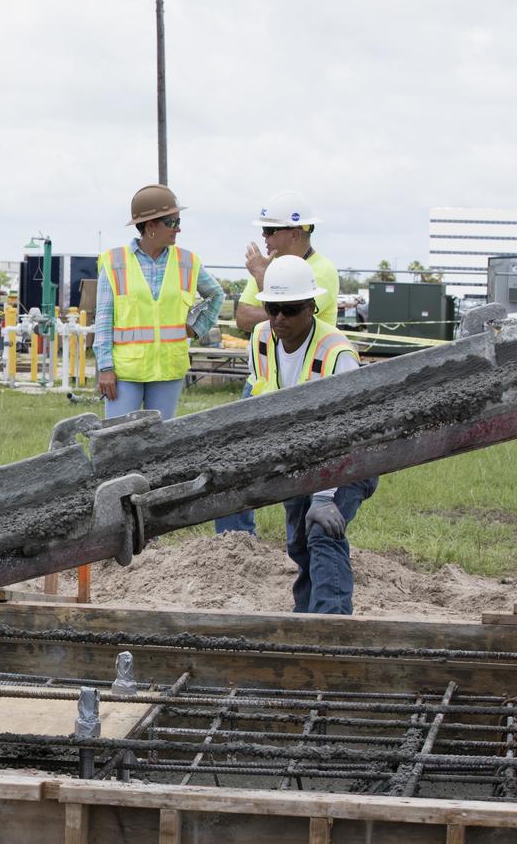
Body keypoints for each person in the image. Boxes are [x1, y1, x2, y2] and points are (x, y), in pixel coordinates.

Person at [246, 255, 376, 615]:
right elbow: (253, 402)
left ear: (311, 307)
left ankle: (331, 625)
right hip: (298, 460)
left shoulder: (337, 353)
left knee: (322, 531)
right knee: (300, 544)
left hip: (350, 459)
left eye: (289, 310)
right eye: (272, 309)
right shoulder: (260, 339)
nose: (278, 319)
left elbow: (345, 432)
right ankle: (306, 621)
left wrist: (324, 496)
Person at [216, 190, 340, 535]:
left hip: (303, 384)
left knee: (297, 473)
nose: (264, 238)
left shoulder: (321, 270)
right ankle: (235, 539)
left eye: (271, 231)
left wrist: (264, 282)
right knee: (230, 459)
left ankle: (298, 543)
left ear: (296, 233)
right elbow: (243, 317)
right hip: (262, 380)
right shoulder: (272, 268)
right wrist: (272, 292)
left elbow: (296, 313)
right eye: (265, 231)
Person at [94, 184, 224, 421]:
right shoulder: (114, 262)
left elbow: (216, 295)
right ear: (150, 225)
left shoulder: (187, 261)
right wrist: (105, 368)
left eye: (178, 220)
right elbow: (103, 320)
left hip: (168, 370)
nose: (178, 228)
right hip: (125, 372)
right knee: (118, 439)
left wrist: (197, 327)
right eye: (172, 223)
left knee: (161, 442)